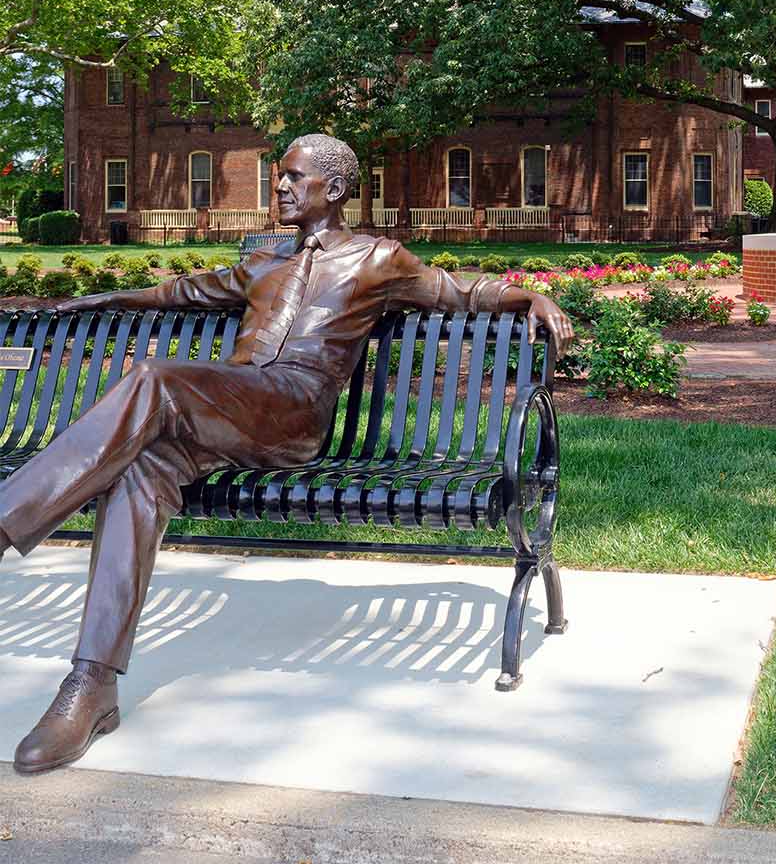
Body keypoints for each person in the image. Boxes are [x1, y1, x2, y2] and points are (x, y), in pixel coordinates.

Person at [0, 133, 573, 774]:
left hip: (293, 414)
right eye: (280, 176)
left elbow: (459, 292)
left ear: (334, 189)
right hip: (228, 412)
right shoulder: (264, 260)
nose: (279, 186)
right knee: (140, 470)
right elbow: (181, 293)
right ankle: (91, 684)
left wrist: (531, 295)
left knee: (155, 378)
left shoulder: (378, 258)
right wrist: (104, 299)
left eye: (293, 177)